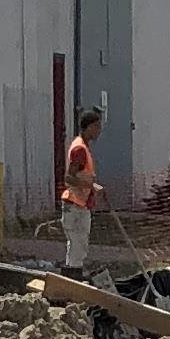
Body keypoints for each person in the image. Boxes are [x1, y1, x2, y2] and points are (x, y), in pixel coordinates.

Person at [59, 102, 106, 273]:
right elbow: (69, 178)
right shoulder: (79, 149)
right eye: (97, 126)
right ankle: (73, 278)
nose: (99, 131)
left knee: (78, 246)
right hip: (75, 205)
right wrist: (93, 186)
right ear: (89, 127)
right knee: (78, 245)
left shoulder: (83, 147)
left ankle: (73, 276)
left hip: (80, 204)